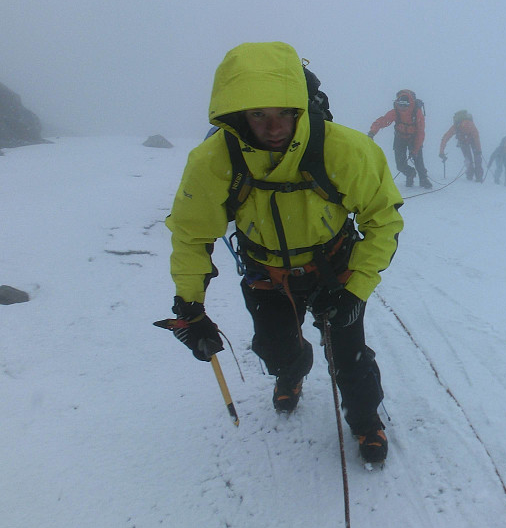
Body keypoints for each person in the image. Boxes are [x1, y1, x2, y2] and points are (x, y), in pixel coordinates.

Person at [164, 41, 403, 464]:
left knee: (349, 355)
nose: (273, 127)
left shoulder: (343, 150)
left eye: (283, 112)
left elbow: (382, 220)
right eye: (258, 114)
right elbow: (190, 234)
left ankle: (366, 420)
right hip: (266, 274)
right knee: (275, 351)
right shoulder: (213, 160)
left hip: (336, 270)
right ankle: (293, 369)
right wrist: (190, 306)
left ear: (299, 106)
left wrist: (356, 289)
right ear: (237, 114)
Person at [368, 89, 431, 188]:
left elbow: (420, 132)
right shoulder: (395, 111)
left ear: (409, 104)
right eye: (400, 105)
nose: (402, 108)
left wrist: (415, 149)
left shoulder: (417, 112)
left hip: (414, 138)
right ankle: (410, 173)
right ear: (397, 103)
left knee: (418, 160)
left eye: (404, 105)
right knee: (400, 165)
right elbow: (383, 121)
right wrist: (372, 132)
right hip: (399, 138)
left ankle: (423, 179)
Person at [438, 109, 483, 182]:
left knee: (468, 159)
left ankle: (470, 176)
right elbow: (476, 137)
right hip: (472, 141)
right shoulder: (471, 126)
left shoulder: (456, 127)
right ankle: (479, 177)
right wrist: (479, 150)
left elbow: (445, 138)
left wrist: (441, 151)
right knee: (477, 159)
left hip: (463, 142)